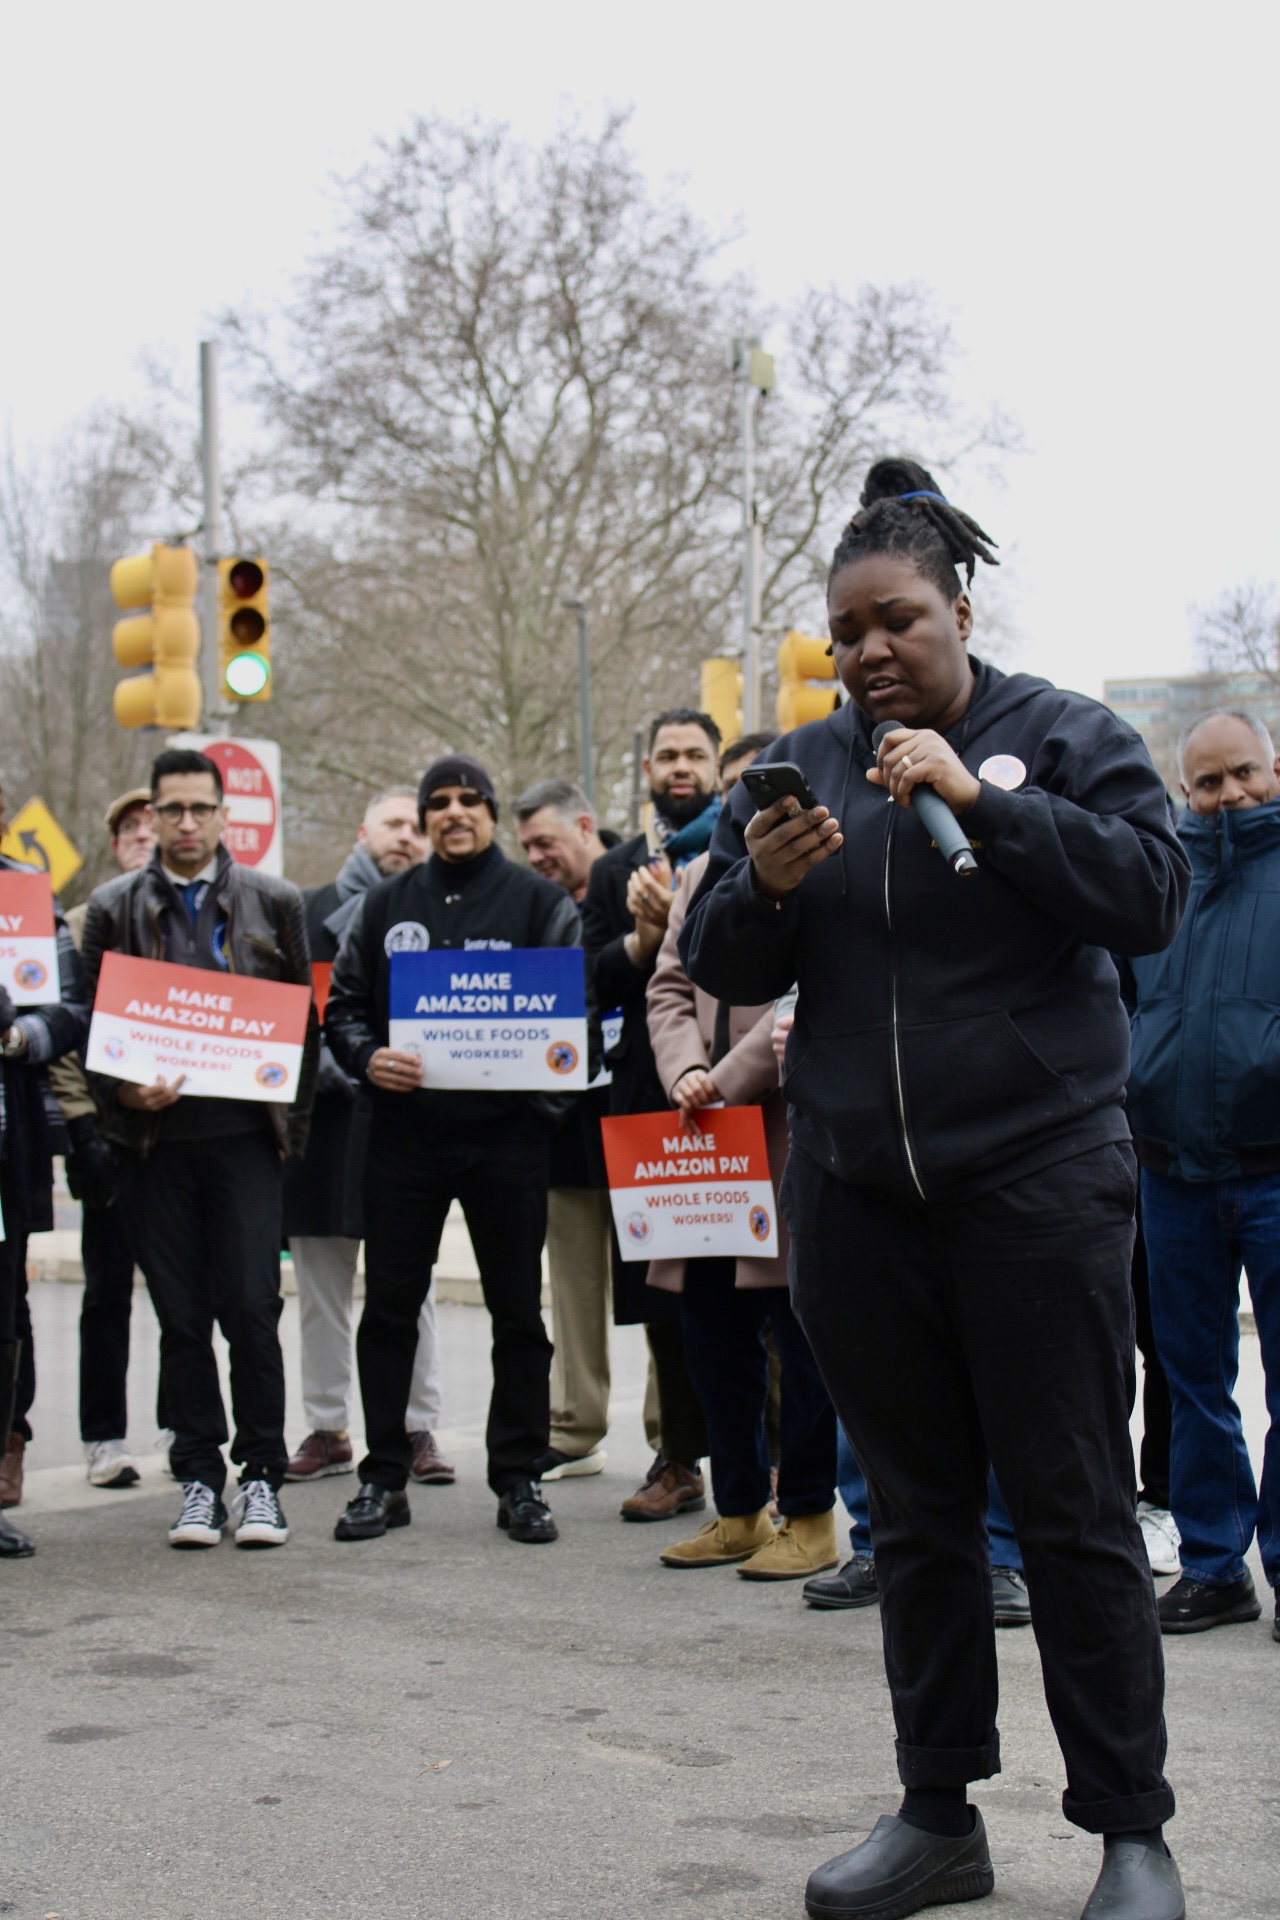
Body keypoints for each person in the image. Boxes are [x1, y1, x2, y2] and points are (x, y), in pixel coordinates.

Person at [680, 460, 1190, 1920]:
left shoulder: (1070, 736)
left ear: (959, 610)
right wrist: (762, 884)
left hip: (1036, 1183)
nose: (867, 655)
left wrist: (986, 803)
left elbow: (1153, 895)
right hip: (856, 1197)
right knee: (916, 1519)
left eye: (894, 622)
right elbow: (722, 966)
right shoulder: (803, 764)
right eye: (844, 634)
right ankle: (937, 1813)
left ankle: (1129, 1832)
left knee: (1077, 1509)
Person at [325, 753, 582, 1545]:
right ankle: (382, 1476)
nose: (454, 812)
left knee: (518, 1314)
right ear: (426, 817)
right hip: (406, 1137)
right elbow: (342, 1012)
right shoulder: (382, 907)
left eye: (471, 800)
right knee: (391, 1310)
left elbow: (574, 1020)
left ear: (493, 815)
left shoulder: (539, 904)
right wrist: (370, 1058)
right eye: (439, 802)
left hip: (508, 1139)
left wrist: (533, 1098)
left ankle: (519, 1480)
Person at [81, 749, 318, 1552]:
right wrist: (120, 1093)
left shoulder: (274, 900)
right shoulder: (111, 907)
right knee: (180, 1317)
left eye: (199, 809)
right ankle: (195, 1477)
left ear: (223, 815)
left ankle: (260, 1478)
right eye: (171, 809)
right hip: (155, 1146)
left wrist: (295, 1139)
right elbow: (86, 1023)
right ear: (153, 815)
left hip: (247, 1142)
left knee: (252, 1310)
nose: (185, 823)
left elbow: (304, 1029)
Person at [646, 731, 841, 1579]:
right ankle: (736, 1510)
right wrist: (688, 1071)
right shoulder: (697, 878)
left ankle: (808, 1515)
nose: (739, 809)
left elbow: (803, 995)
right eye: (733, 797)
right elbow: (667, 987)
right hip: (701, 1145)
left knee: (800, 1339)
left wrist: (724, 1078)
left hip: (784, 1132)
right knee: (710, 1331)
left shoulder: (818, 870)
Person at [1123, 708, 1280, 1642]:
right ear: (1185, 791)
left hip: (1272, 1168)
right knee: (1189, 1381)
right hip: (1169, 1172)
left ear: (1274, 769)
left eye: (1244, 775)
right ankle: (1216, 1566)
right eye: (1209, 783)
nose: (1229, 797)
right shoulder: (1161, 881)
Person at [283, 788, 452, 1488]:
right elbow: (289, 1016)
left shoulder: (439, 913)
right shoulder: (309, 911)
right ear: (363, 832)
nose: (406, 837)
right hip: (321, 1130)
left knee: (410, 1289)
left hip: (403, 1129)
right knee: (321, 1286)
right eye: (393, 824)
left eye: (417, 827)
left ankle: (418, 1428)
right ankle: (327, 1428)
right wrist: (349, 1062)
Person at [582, 709, 722, 1522]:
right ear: (645, 768)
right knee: (661, 1291)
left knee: (753, 1288)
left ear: (712, 765)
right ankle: (679, 1460)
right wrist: (641, 940)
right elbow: (592, 977)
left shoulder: (738, 847)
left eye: (693, 754)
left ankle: (767, 1461)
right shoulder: (616, 870)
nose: (679, 766)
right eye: (665, 754)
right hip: (645, 1098)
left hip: (733, 1087)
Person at [46, 787, 155, 1491]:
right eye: (132, 830)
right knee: (107, 1291)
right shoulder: (86, 924)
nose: (147, 836)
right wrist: (83, 1126)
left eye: (158, 823)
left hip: (186, 1135)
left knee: (190, 1294)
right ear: (115, 845)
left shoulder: (202, 922)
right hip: (109, 1135)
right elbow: (61, 1032)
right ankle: (103, 1438)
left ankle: (186, 1425)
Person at [515, 777, 621, 1479]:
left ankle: (675, 1442)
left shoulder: (643, 876)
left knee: (664, 1292)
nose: (536, 858)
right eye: (525, 847)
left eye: (544, 843)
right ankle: (575, 1425)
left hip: (641, 1114)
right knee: (574, 1286)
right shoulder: (530, 908)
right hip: (561, 1124)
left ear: (585, 826)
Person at [0, 787, 91, 1557]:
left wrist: (15, 1036)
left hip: (4, 1148)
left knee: (3, 1318)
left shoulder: (26, 900)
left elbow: (71, 1011)